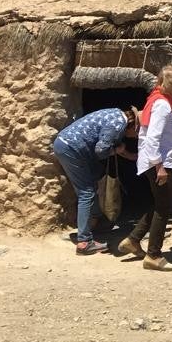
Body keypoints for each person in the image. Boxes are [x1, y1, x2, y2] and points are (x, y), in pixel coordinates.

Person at [119, 65, 172, 272]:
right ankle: (154, 255)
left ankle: (133, 240)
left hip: (161, 161)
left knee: (162, 202)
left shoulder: (168, 102)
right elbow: (153, 138)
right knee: (165, 206)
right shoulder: (161, 105)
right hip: (159, 163)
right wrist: (159, 166)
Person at [53, 106, 139, 255]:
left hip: (68, 144)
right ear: (133, 126)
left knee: (96, 175)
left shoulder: (116, 115)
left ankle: (95, 221)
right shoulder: (118, 126)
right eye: (138, 132)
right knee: (86, 192)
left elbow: (111, 143)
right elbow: (101, 150)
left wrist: (130, 155)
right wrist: (117, 151)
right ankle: (84, 242)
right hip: (71, 148)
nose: (136, 136)